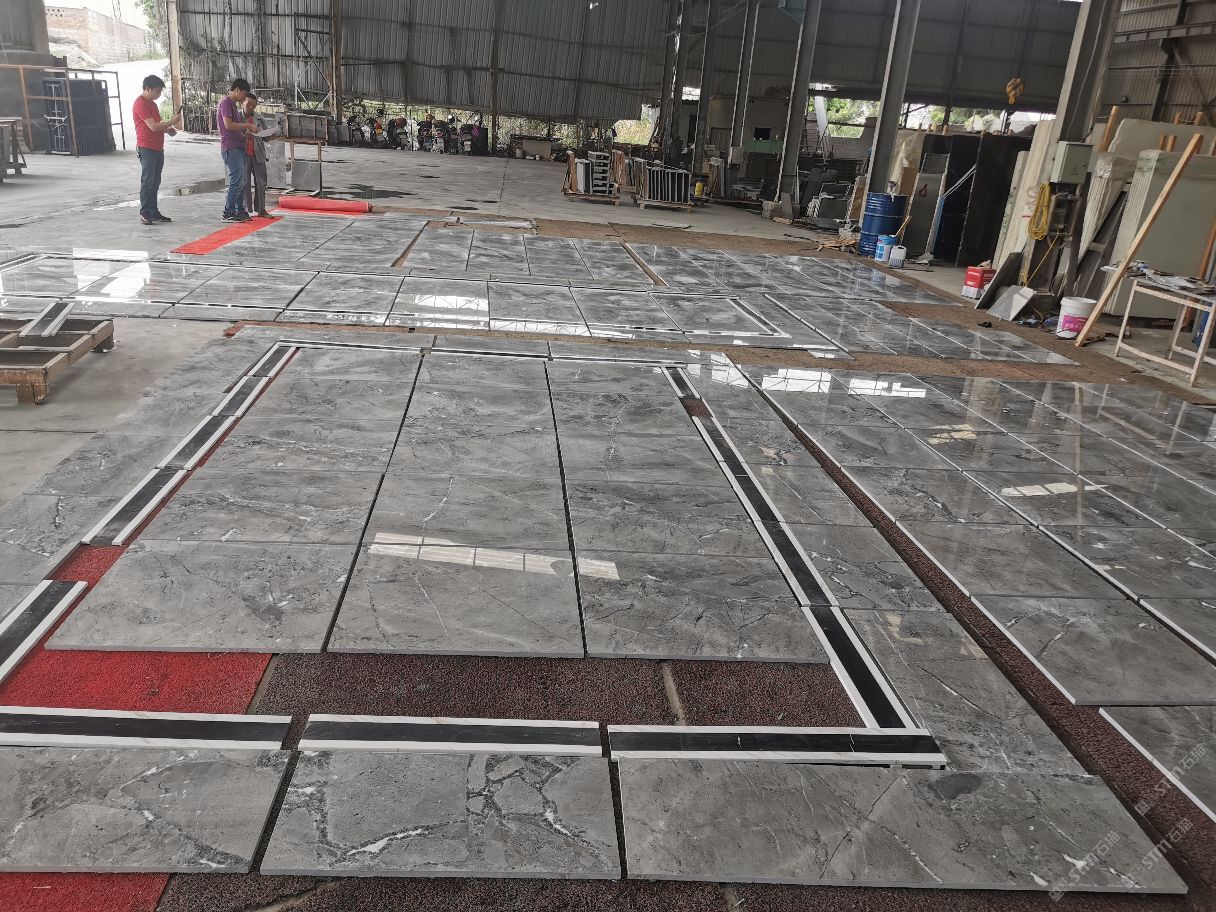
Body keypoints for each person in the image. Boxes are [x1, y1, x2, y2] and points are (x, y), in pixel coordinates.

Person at [132, 74, 182, 226]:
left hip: (157, 147)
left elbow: (157, 125)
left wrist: (167, 130)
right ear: (148, 88)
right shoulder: (140, 104)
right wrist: (171, 122)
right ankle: (145, 213)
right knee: (148, 181)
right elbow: (153, 126)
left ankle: (153, 212)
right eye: (157, 91)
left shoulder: (152, 104)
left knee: (155, 182)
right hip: (146, 147)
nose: (159, 94)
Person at [215, 78, 258, 221]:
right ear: (237, 90)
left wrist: (244, 135)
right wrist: (247, 126)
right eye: (244, 94)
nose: (244, 98)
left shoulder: (232, 105)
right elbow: (228, 125)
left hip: (238, 146)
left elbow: (234, 128)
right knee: (237, 181)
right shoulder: (226, 103)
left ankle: (240, 210)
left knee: (242, 181)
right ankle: (228, 212)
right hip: (231, 147)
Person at [243, 93, 271, 218]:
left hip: (258, 154)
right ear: (242, 102)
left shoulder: (259, 119)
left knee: (261, 183)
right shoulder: (237, 117)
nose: (250, 107)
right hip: (243, 154)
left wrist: (269, 135)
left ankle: (261, 209)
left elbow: (266, 138)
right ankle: (245, 210)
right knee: (245, 183)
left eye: (253, 106)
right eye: (248, 104)